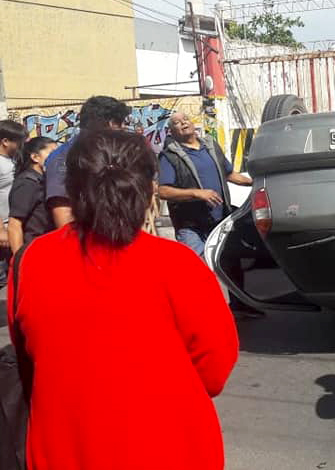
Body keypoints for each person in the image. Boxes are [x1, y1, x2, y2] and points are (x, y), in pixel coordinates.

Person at [6, 130, 239, 469]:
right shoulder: (179, 264)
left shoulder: (29, 263)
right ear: (148, 192)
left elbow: (30, 363)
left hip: (65, 448)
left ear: (71, 189)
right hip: (171, 447)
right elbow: (214, 369)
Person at [158, 112, 252, 257]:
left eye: (186, 119)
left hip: (220, 222)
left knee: (229, 267)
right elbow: (163, 191)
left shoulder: (211, 147)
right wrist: (196, 193)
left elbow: (229, 174)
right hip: (191, 228)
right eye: (177, 123)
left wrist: (254, 181)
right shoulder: (169, 156)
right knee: (200, 271)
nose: (183, 123)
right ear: (171, 131)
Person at [45, 95, 131, 229]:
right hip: (85, 242)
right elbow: (62, 211)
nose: (124, 128)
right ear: (109, 124)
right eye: (121, 123)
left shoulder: (107, 153)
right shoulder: (65, 157)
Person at [8, 137, 57, 254]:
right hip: (33, 251)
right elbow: (14, 225)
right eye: (52, 153)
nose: (57, 157)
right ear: (35, 157)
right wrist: (19, 262)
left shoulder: (44, 180)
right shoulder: (27, 183)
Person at [0, 120, 27, 285]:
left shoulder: (13, 160)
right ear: (5, 141)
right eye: (19, 142)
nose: (22, 145)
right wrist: (1, 230)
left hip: (12, 227)